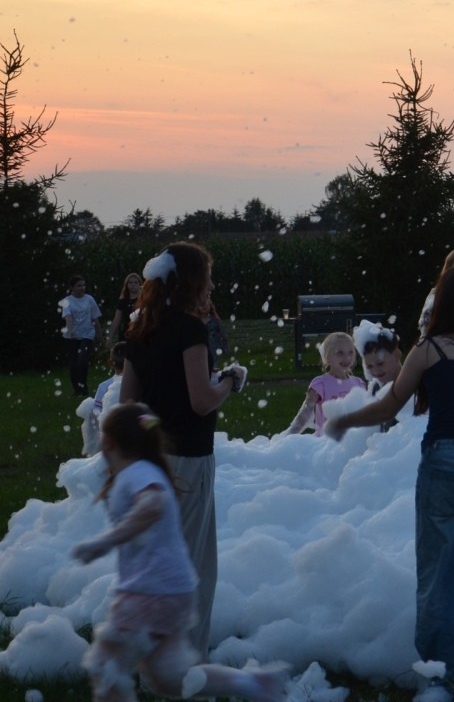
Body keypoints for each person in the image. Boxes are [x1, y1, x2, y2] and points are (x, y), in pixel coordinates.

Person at [325, 267, 454, 702]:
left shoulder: (429, 350)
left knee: (440, 571)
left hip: (444, 459)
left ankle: (441, 679)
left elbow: (391, 402)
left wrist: (346, 419)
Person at [72, 403, 286, 702]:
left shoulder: (136, 473)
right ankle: (251, 684)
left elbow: (153, 505)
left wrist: (106, 541)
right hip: (174, 590)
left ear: (108, 441)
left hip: (148, 592)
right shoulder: (146, 468)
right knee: (170, 678)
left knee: (106, 662)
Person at [121, 242, 247, 656]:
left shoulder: (141, 329)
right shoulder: (189, 330)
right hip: (188, 461)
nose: (212, 284)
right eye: (207, 276)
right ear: (191, 281)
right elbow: (201, 400)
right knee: (193, 566)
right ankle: (180, 667)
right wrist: (231, 379)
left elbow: (127, 405)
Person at [285, 332, 365, 435]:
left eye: (351, 352)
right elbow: (305, 412)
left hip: (350, 442)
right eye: (340, 353)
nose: (347, 357)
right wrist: (289, 435)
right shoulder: (320, 384)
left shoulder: (358, 384)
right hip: (326, 443)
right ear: (327, 357)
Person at [354, 319, 406, 432]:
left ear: (397, 355)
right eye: (369, 366)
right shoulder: (375, 388)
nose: (376, 371)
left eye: (380, 363)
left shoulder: (411, 386)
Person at [79, 341, 127, 457]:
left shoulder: (104, 386)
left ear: (110, 363)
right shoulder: (136, 384)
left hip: (109, 433)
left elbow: (97, 413)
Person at [61, 274, 103, 397]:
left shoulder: (89, 299)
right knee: (73, 365)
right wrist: (70, 330)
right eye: (79, 285)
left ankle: (84, 388)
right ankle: (77, 390)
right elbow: (68, 317)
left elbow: (95, 319)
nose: (82, 288)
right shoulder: (67, 301)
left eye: (83, 285)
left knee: (82, 362)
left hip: (87, 335)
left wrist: (100, 337)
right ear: (72, 287)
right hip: (71, 337)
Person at [108, 272, 142, 344]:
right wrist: (110, 337)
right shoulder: (123, 301)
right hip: (127, 333)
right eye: (130, 282)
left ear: (139, 284)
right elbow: (117, 320)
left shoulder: (144, 300)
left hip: (142, 332)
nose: (133, 284)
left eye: (136, 282)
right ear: (127, 285)